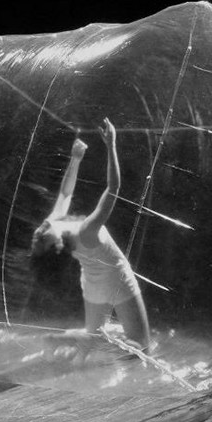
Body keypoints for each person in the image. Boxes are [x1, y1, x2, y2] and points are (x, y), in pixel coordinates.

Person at [31, 118, 150, 361]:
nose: (39, 232)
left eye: (37, 237)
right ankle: (81, 342)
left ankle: (65, 340)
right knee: (142, 347)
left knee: (94, 338)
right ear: (56, 246)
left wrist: (75, 159)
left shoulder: (53, 223)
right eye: (42, 239)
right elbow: (113, 188)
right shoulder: (85, 231)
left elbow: (65, 193)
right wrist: (111, 144)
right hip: (116, 278)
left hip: (92, 283)